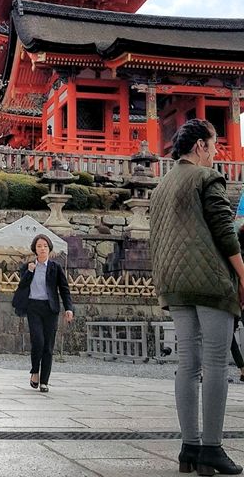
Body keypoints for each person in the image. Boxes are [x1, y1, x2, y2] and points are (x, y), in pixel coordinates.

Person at [151, 118, 244, 475]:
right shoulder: (207, 177)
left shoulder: (162, 186)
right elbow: (225, 232)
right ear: (201, 146)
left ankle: (189, 448)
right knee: (217, 363)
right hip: (209, 281)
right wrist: (242, 274)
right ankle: (212, 448)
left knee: (187, 363)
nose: (217, 150)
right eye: (215, 143)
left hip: (175, 284)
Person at [12, 234, 73, 393]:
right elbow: (22, 286)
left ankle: (44, 381)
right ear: (35, 249)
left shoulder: (55, 267)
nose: (42, 248)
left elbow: (64, 289)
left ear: (49, 248)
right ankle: (34, 371)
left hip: (50, 308)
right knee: (38, 341)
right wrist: (29, 272)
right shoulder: (28, 266)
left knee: (48, 346)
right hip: (33, 307)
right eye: (39, 246)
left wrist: (69, 308)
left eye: (45, 246)